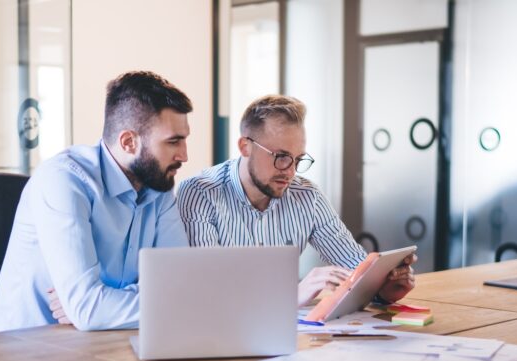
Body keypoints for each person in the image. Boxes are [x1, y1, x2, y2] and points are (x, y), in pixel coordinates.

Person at [0, 71, 193, 332]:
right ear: (128, 142)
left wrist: (103, 306)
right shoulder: (64, 180)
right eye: (173, 142)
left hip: (105, 344)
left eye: (184, 139)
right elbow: (89, 309)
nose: (184, 155)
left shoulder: (158, 188)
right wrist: (94, 307)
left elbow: (183, 287)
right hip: (26, 352)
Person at [177, 95, 416, 307]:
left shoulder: (307, 196)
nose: (290, 172)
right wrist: (292, 294)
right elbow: (208, 294)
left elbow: (356, 270)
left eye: (298, 159)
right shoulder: (200, 193)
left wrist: (384, 289)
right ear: (245, 146)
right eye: (281, 157)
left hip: (286, 339)